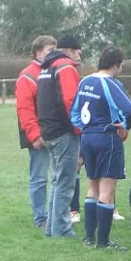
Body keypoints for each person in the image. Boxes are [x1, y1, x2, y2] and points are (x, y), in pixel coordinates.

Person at [71, 45, 131, 251]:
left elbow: (74, 112)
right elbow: (130, 108)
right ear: (117, 64)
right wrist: (126, 126)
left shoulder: (85, 81)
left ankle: (89, 237)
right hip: (107, 137)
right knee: (107, 188)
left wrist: (85, 129)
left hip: (87, 138)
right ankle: (104, 241)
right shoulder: (110, 83)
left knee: (93, 186)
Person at [37, 35, 82, 238]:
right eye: (78, 51)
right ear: (69, 51)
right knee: (65, 183)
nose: (79, 56)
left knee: (56, 181)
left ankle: (52, 228)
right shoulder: (65, 67)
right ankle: (62, 228)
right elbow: (71, 101)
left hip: (48, 131)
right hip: (64, 133)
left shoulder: (46, 68)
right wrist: (78, 128)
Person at [15, 35, 57, 228]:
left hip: (56, 132)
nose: (53, 54)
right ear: (38, 52)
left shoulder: (55, 70)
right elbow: (24, 109)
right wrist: (34, 135)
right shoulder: (28, 75)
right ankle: (41, 217)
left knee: (59, 175)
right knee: (40, 176)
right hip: (38, 134)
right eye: (50, 50)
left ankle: (57, 214)